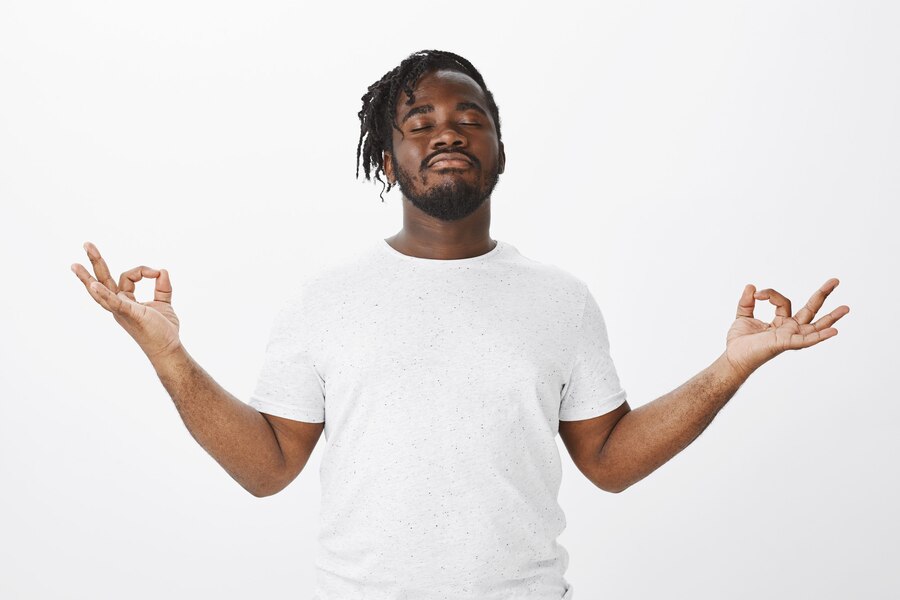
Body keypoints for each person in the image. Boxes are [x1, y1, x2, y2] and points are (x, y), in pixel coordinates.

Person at [70, 49, 850, 600]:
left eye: (469, 118)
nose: (447, 132)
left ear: (500, 150)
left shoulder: (560, 299)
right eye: (419, 121)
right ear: (385, 159)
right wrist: (168, 356)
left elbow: (608, 460)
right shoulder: (325, 298)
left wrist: (730, 368)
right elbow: (267, 468)